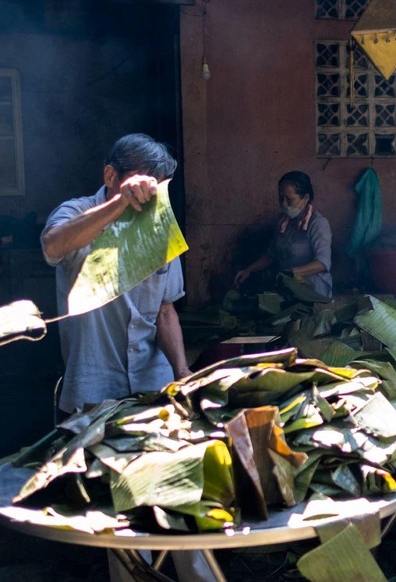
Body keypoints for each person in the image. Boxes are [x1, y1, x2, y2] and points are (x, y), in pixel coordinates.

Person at [41, 133, 212, 582]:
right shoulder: (77, 211)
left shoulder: (160, 226)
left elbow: (165, 310)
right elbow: (53, 246)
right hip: (94, 387)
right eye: (140, 186)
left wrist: (183, 372)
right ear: (110, 176)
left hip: (153, 383)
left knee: (177, 493)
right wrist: (119, 204)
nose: (148, 199)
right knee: (119, 509)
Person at [233, 170, 333, 299]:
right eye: (281, 198)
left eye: (289, 199)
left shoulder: (318, 224)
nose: (284, 204)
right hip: (289, 288)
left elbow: (322, 264)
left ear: (305, 198)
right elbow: (272, 254)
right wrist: (249, 270)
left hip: (313, 292)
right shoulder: (284, 221)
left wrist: (292, 272)